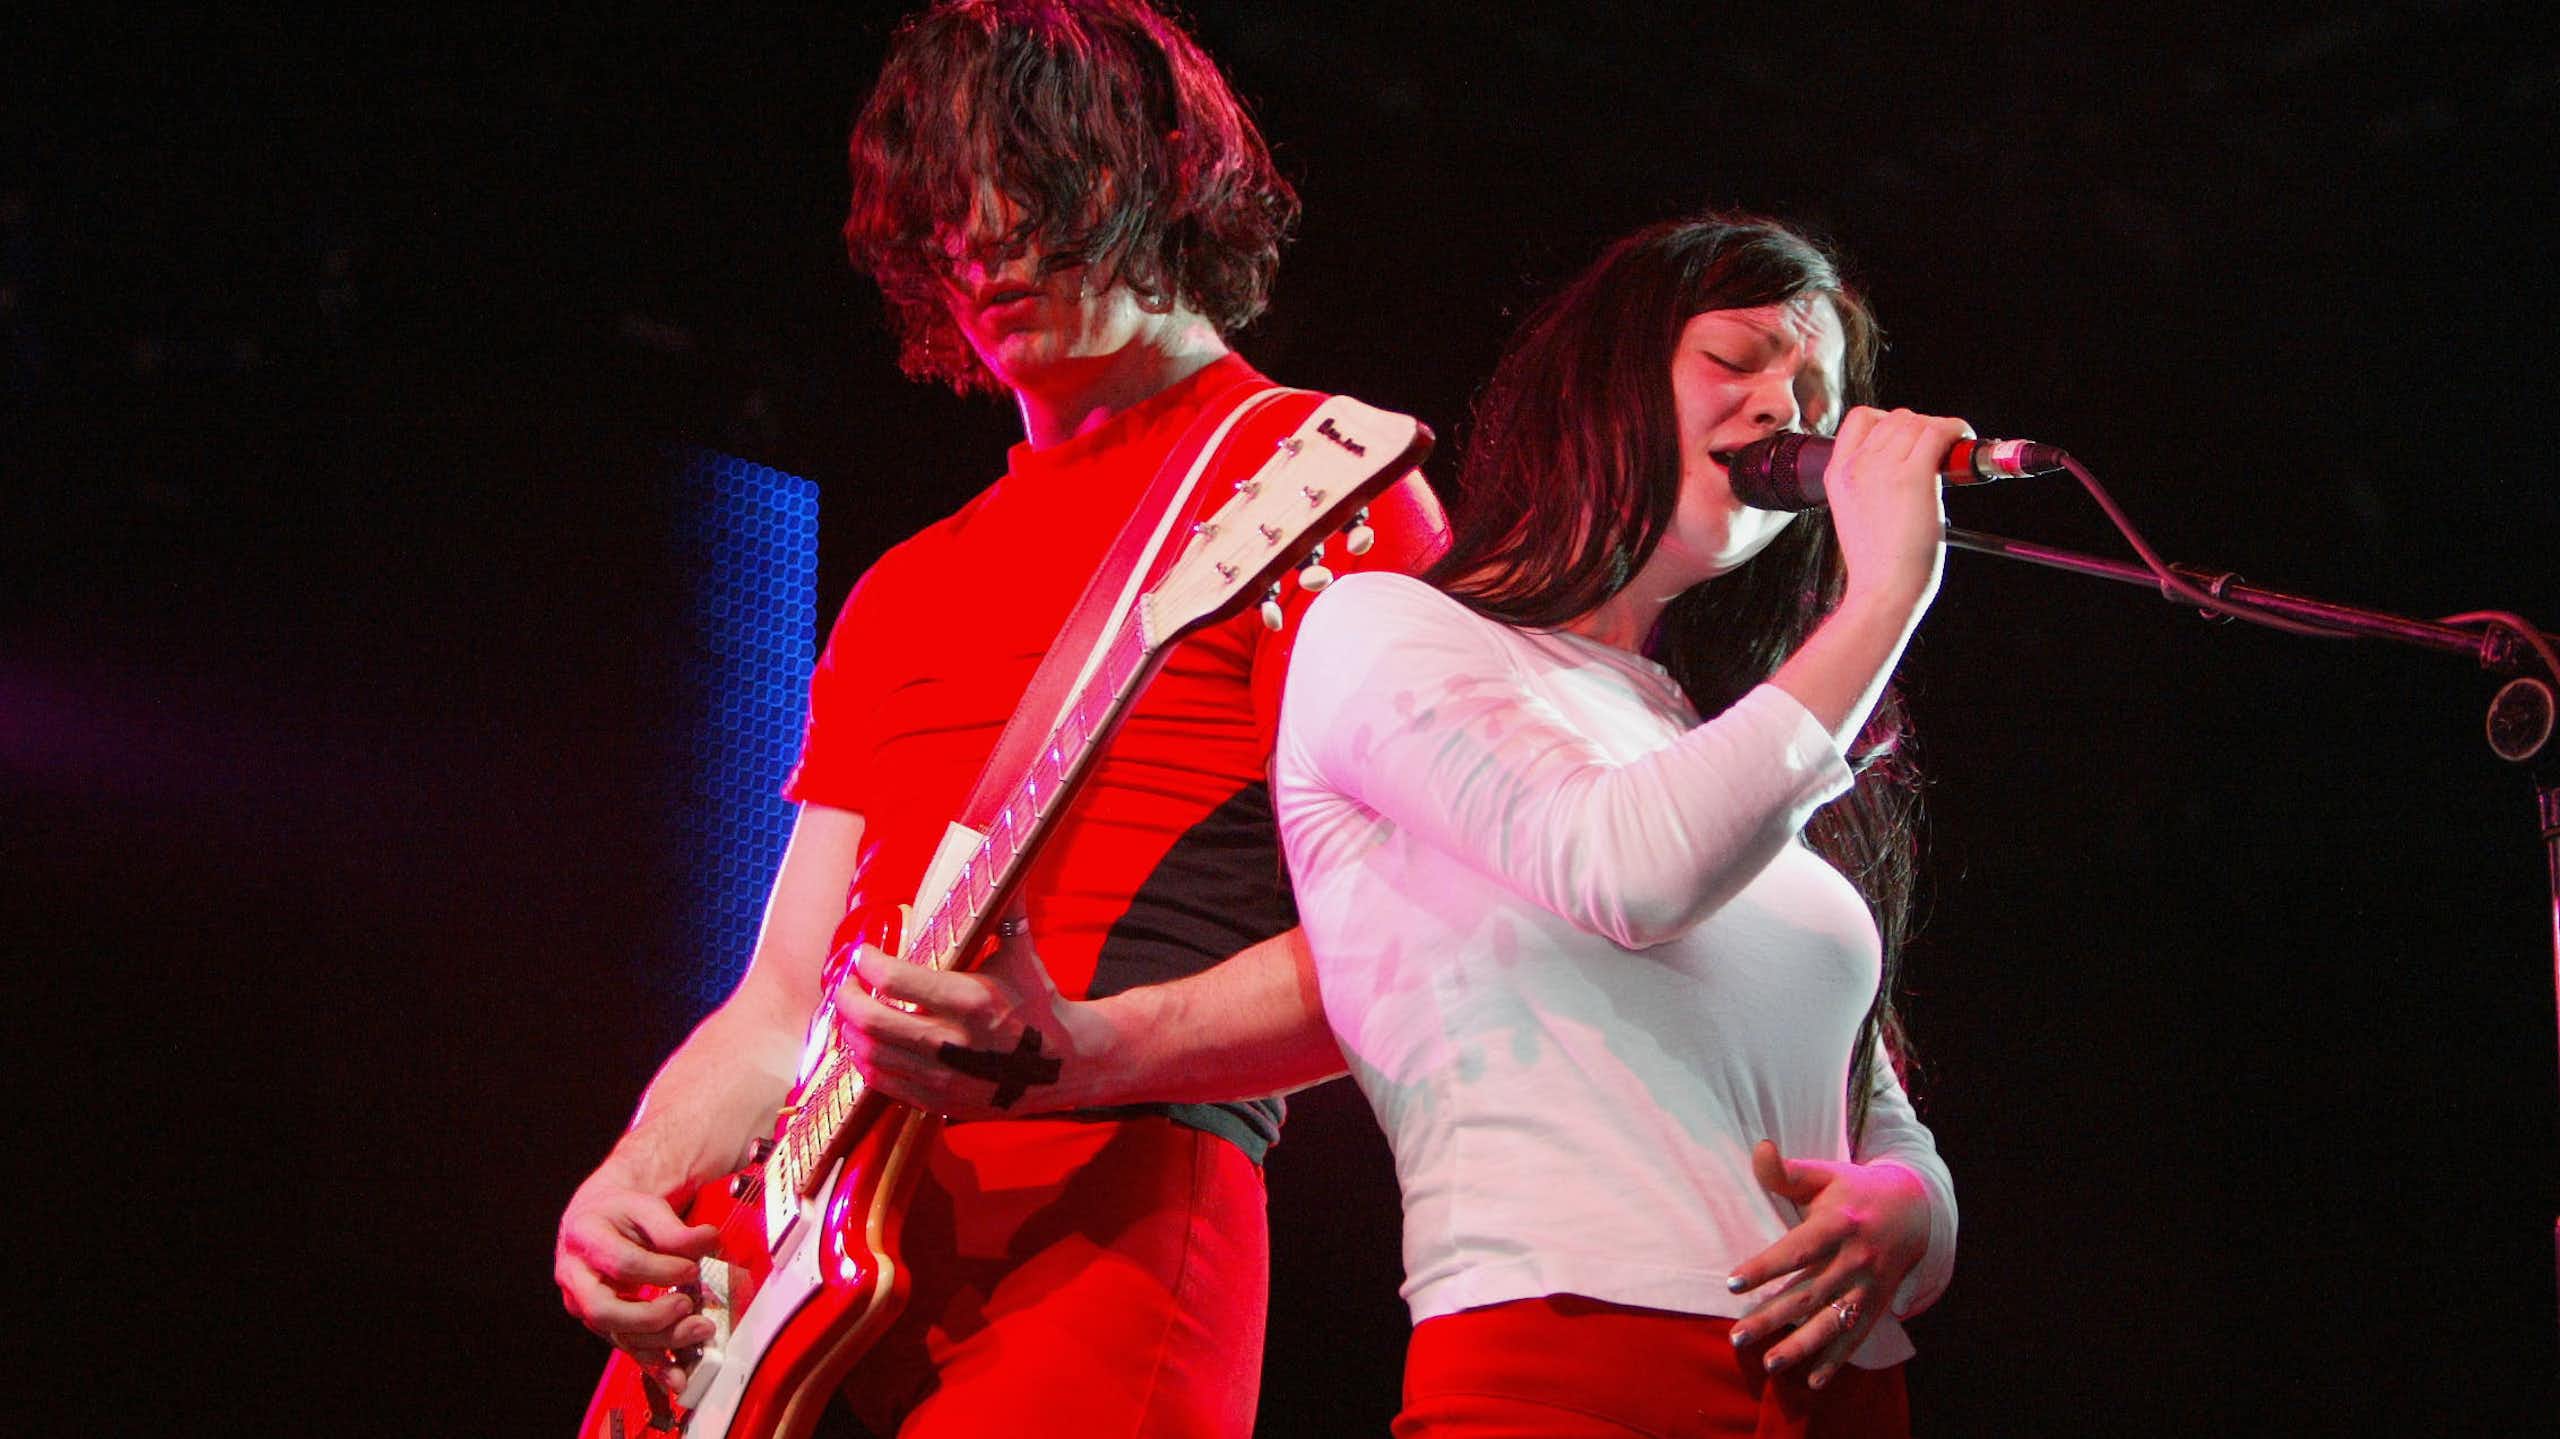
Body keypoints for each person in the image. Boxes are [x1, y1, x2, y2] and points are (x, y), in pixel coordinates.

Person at [552, 4, 1443, 1435]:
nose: (979, 233)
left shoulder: (1314, 478)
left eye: (1028, 174)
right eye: (944, 201)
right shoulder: (906, 584)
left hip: (1104, 1224)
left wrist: (1092, 1045)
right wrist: (633, 1175)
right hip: (777, 1263)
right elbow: (780, 999)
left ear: (1160, 169)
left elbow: (1425, 934)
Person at [1270, 214, 1960, 1437]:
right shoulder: (1389, 633)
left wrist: (1912, 1206)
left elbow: (1863, 1088)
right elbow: (1624, 867)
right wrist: (1889, 593)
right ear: (1611, 373)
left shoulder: (1724, 740)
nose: (1781, 408)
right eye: (1738, 357)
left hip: (1845, 1387)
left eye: (1811, 389)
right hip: (1576, 1356)